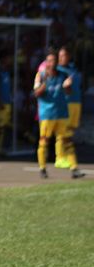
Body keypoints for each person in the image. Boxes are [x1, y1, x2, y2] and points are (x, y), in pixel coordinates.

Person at [33, 50, 83, 179]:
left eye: (54, 60)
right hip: (47, 114)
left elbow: (68, 92)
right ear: (46, 62)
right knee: (44, 142)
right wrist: (44, 84)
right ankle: (42, 168)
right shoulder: (41, 75)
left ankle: (74, 168)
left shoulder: (63, 75)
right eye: (49, 61)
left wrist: (67, 86)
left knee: (67, 140)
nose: (52, 63)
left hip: (61, 113)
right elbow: (36, 93)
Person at [55, 46, 82, 169]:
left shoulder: (73, 69)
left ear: (69, 56)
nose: (62, 58)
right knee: (62, 132)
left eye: (64, 55)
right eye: (60, 56)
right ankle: (59, 157)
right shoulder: (57, 70)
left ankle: (66, 155)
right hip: (65, 104)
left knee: (70, 132)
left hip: (76, 103)